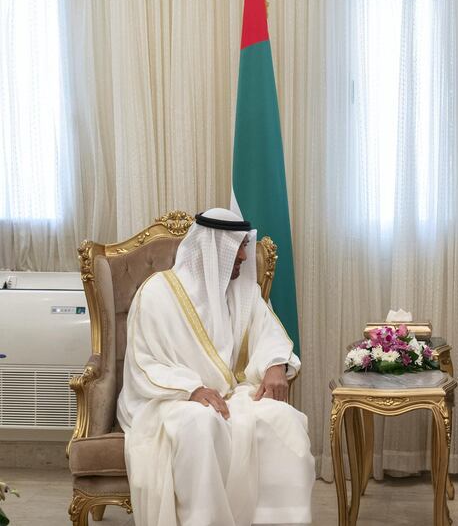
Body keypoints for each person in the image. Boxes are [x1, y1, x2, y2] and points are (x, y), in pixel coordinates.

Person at [117, 208, 314, 526]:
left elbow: (270, 335)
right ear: (213, 248)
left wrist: (275, 365)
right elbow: (144, 361)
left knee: (283, 420)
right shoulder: (157, 293)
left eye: (244, 246)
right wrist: (191, 389)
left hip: (232, 395)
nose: (244, 256)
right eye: (237, 248)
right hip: (167, 400)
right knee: (200, 425)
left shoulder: (244, 293)